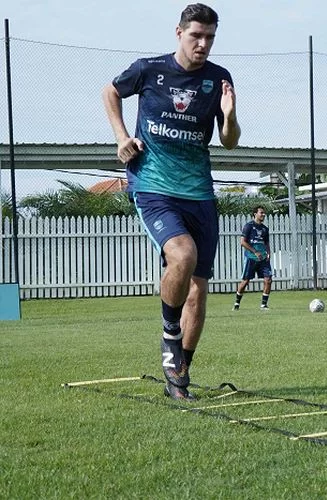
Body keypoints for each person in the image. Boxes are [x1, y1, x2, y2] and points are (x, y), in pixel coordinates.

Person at [102, 3, 241, 400]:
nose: (203, 44)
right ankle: (169, 332)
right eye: (196, 35)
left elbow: (229, 141)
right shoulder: (149, 69)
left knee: (198, 293)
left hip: (199, 192)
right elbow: (111, 90)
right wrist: (121, 136)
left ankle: (178, 377)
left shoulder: (219, 79)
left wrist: (229, 116)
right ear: (178, 32)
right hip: (153, 186)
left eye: (210, 37)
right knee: (182, 255)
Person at [233, 206, 273, 310]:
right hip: (251, 258)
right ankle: (237, 304)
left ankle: (264, 305)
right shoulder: (248, 226)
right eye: (261, 213)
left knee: (268, 280)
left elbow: (266, 243)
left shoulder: (265, 229)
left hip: (263, 258)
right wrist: (255, 252)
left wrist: (268, 253)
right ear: (255, 214)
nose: (263, 215)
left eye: (264, 213)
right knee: (245, 281)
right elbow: (242, 242)